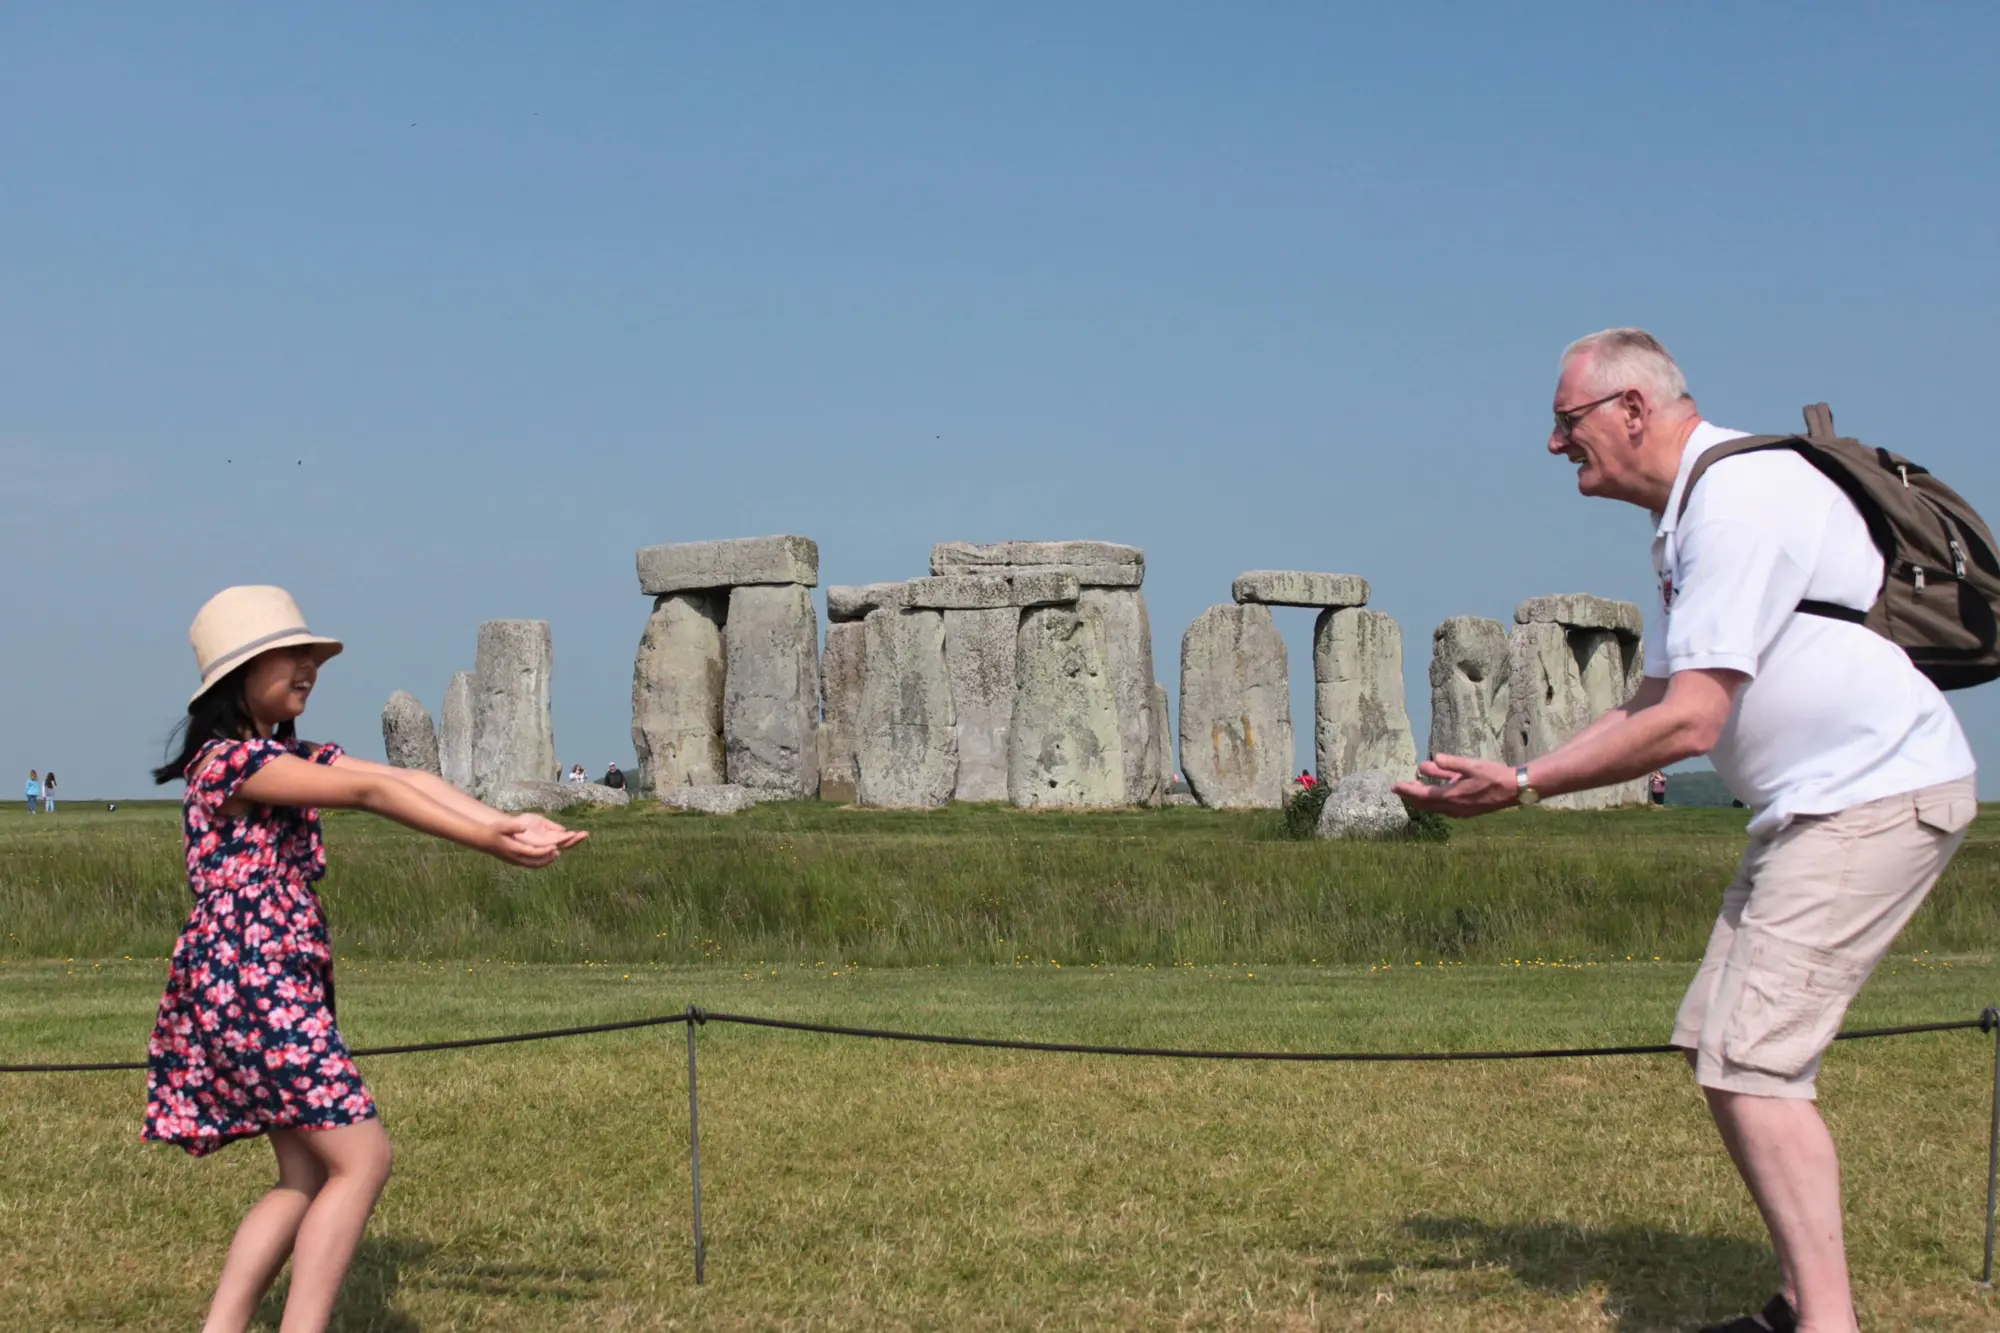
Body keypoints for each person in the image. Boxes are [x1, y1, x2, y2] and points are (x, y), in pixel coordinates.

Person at [1396, 329, 1975, 1333]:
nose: (1550, 444)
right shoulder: (1689, 516)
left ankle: (1824, 1323)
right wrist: (1521, 773)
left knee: (1752, 1060)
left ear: (1629, 407)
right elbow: (1653, 698)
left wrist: (1526, 782)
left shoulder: (1737, 501)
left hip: (1869, 793)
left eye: (1563, 420)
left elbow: (1688, 721)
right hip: (1813, 802)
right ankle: (1796, 1302)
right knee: (1717, 1041)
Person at [143, 585, 587, 1333]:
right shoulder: (226, 764)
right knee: (363, 1156)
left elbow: (406, 777)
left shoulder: (283, 754)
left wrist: (504, 819)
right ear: (234, 677)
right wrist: (492, 844)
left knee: (306, 1172)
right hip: (253, 974)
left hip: (264, 973)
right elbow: (373, 789)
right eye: (288, 656)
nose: (308, 668)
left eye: (311, 655)